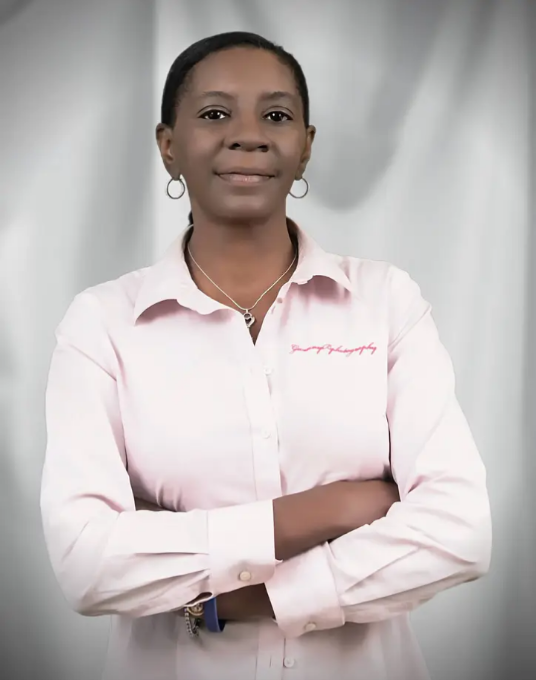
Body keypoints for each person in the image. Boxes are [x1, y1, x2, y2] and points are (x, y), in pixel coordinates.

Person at [40, 31, 492, 680]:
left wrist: (241, 599)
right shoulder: (103, 324)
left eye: (276, 115)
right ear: (168, 146)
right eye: (214, 113)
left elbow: (459, 532)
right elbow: (86, 564)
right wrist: (330, 511)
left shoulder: (386, 302)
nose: (248, 135)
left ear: (305, 145)